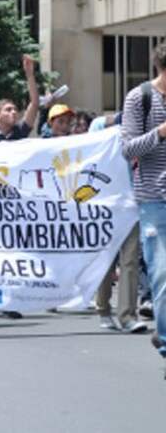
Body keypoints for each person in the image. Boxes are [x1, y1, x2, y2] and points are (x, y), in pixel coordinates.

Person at [121, 42, 166, 369]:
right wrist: (160, 133)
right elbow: (127, 148)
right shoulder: (140, 98)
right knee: (163, 275)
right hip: (155, 199)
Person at [0, 55, 40, 141]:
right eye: (8, 110)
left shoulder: (20, 131)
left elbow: (34, 104)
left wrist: (29, 74)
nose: (14, 112)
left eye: (15, 109)